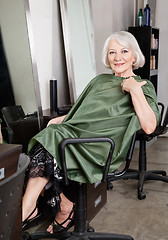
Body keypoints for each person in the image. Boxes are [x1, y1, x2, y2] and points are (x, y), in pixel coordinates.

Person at [22, 31, 160, 234]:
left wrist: (134, 89)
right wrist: (60, 120)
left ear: (134, 55)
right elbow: (82, 114)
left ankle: (27, 211)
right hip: (77, 138)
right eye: (112, 52)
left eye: (124, 51)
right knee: (47, 136)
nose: (117, 57)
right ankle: (61, 206)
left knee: (49, 140)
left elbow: (149, 127)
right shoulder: (99, 81)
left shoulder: (143, 86)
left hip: (101, 147)